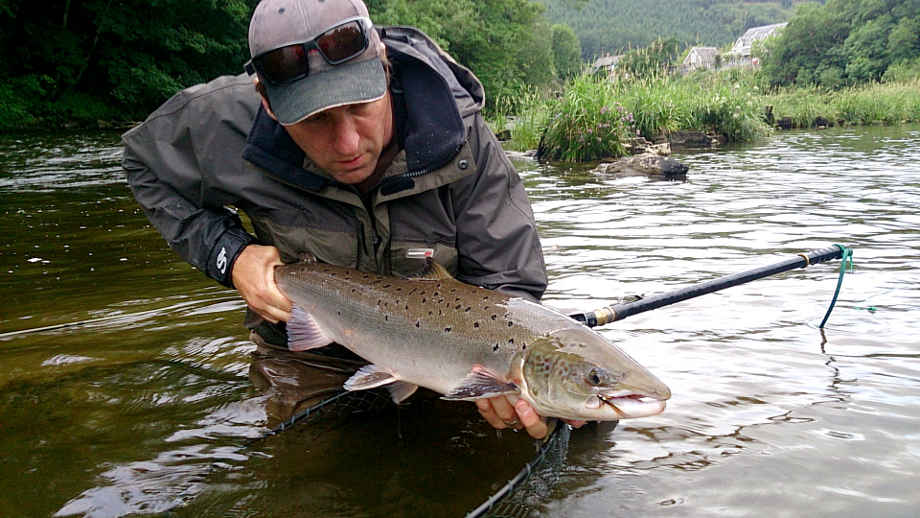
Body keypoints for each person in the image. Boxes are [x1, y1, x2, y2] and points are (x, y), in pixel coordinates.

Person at [122, 0, 579, 439]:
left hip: (446, 355)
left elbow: (508, 289)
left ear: (384, 68)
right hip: (310, 356)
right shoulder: (221, 123)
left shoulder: (458, 135)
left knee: (566, 429)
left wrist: (507, 378)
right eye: (315, 120)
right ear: (268, 103)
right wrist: (229, 255)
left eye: (360, 107)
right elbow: (144, 164)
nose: (346, 144)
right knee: (307, 477)